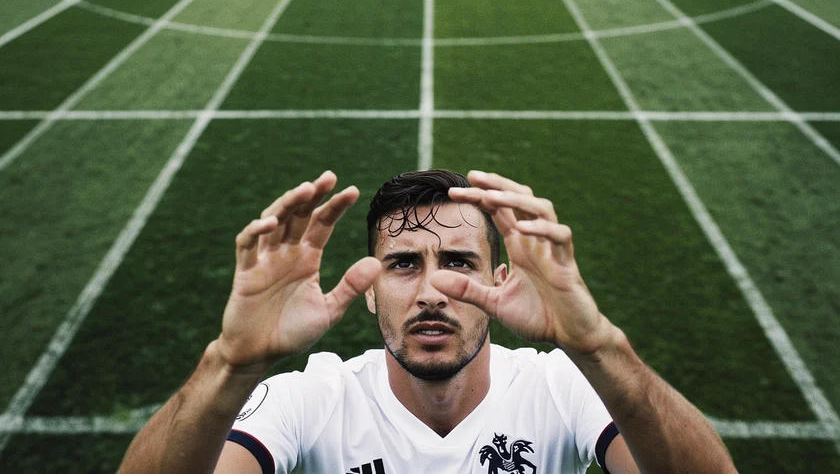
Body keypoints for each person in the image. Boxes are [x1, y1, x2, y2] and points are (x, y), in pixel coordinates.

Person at [118, 169, 736, 474]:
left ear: (501, 282)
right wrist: (230, 364)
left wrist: (599, 346)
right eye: (404, 264)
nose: (434, 291)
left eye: (460, 262)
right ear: (369, 291)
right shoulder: (313, 397)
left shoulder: (562, 386)